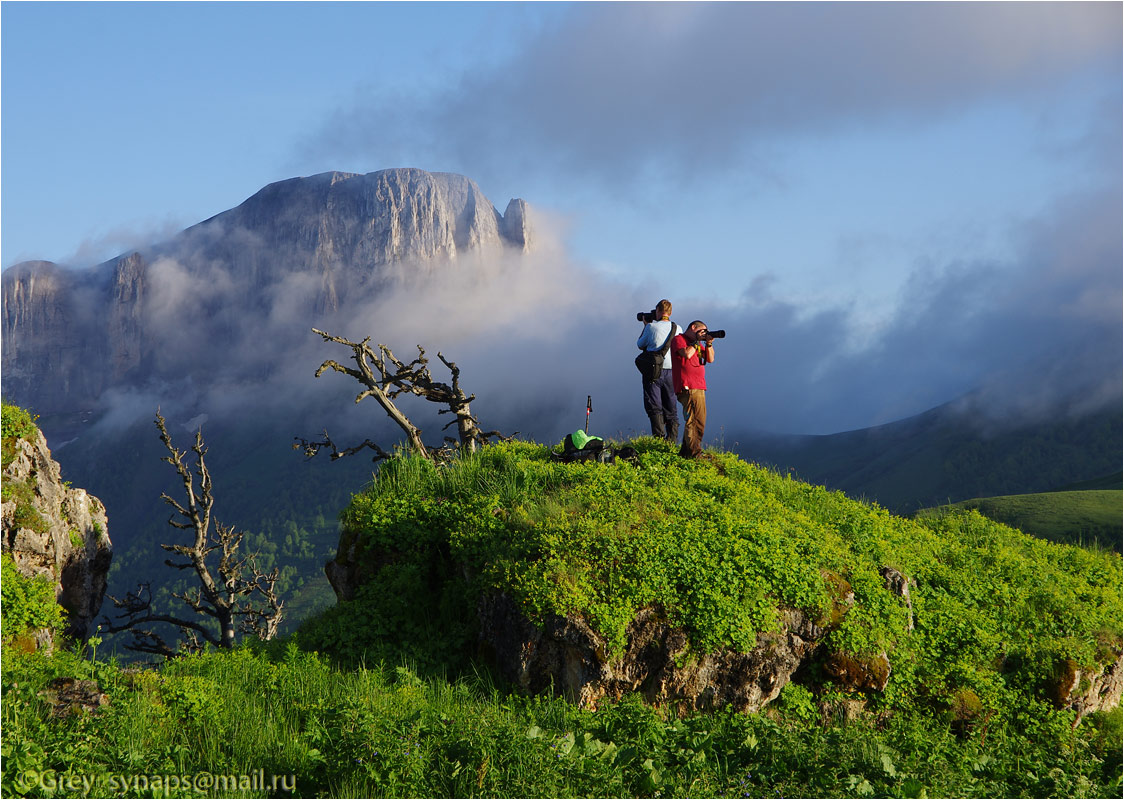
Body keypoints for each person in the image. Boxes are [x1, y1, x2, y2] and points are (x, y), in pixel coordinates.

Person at [636, 299, 681, 441]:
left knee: (654, 405)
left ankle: (659, 439)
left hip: (653, 371)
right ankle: (672, 440)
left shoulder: (651, 328)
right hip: (672, 371)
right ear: (670, 312)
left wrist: (646, 326)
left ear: (658, 311)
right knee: (671, 406)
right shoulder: (677, 328)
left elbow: (640, 344)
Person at [671, 320, 715, 458]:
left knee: (698, 419)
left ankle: (685, 452)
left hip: (699, 386)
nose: (703, 335)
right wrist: (696, 342)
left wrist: (708, 343)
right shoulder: (679, 339)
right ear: (693, 327)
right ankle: (694, 454)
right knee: (695, 421)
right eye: (702, 331)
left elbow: (711, 359)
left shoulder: (698, 344)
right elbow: (687, 354)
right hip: (688, 386)